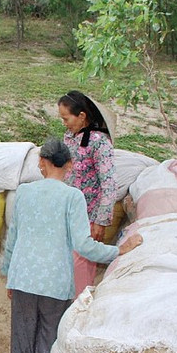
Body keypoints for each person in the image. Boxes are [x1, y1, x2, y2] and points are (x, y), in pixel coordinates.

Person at [0, 139, 142, 353]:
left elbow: (13, 237)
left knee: (22, 335)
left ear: (41, 162)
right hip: (56, 283)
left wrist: (9, 274)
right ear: (69, 166)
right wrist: (118, 251)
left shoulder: (24, 193)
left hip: (23, 279)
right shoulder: (73, 196)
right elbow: (84, 245)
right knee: (48, 338)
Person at [58, 90, 120, 294]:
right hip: (68, 211)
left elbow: (108, 183)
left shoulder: (100, 143)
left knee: (81, 264)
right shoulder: (70, 137)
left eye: (66, 118)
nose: (64, 123)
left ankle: (80, 304)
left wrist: (100, 221)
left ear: (82, 116)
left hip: (88, 216)